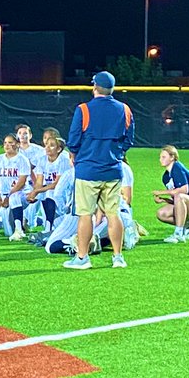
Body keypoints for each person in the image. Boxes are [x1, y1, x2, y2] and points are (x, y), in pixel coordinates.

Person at [64, 69, 135, 270]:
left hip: (88, 171)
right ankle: (118, 257)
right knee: (113, 214)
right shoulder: (125, 109)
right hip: (113, 170)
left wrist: (77, 155)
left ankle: (82, 258)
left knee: (85, 215)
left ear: (95, 86)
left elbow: (73, 140)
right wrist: (116, 153)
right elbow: (129, 139)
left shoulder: (84, 109)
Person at [153, 145, 189, 243]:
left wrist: (161, 192)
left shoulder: (177, 167)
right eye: (160, 157)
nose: (160, 160)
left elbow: (184, 190)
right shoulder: (166, 177)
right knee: (161, 214)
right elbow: (177, 201)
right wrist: (164, 199)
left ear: (172, 157)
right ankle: (187, 226)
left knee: (180, 196)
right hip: (188, 205)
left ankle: (178, 234)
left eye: (164, 157)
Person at [0, 133, 32, 239]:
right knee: (8, 232)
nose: (7, 145)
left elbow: (21, 182)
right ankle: (22, 221)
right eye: (5, 143)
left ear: (18, 144)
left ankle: (19, 230)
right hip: (3, 195)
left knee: (14, 197)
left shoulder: (22, 159)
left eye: (10, 142)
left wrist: (8, 197)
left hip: (21, 194)